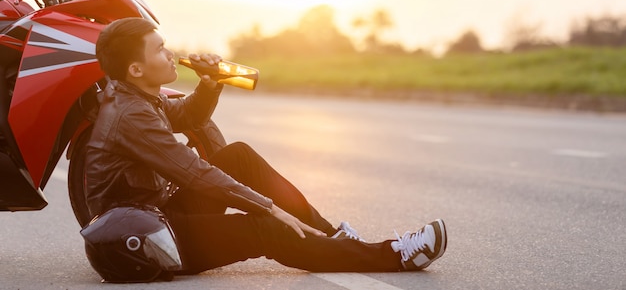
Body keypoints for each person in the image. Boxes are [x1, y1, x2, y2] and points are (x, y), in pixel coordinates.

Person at [83, 17, 447, 281]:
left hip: (157, 211)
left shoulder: (139, 96)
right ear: (135, 68)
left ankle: (331, 237)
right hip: (148, 240)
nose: (170, 53)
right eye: (159, 50)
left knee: (238, 155)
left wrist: (210, 83)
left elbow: (188, 116)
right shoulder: (130, 115)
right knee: (266, 229)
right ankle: (395, 255)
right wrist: (271, 209)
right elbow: (195, 172)